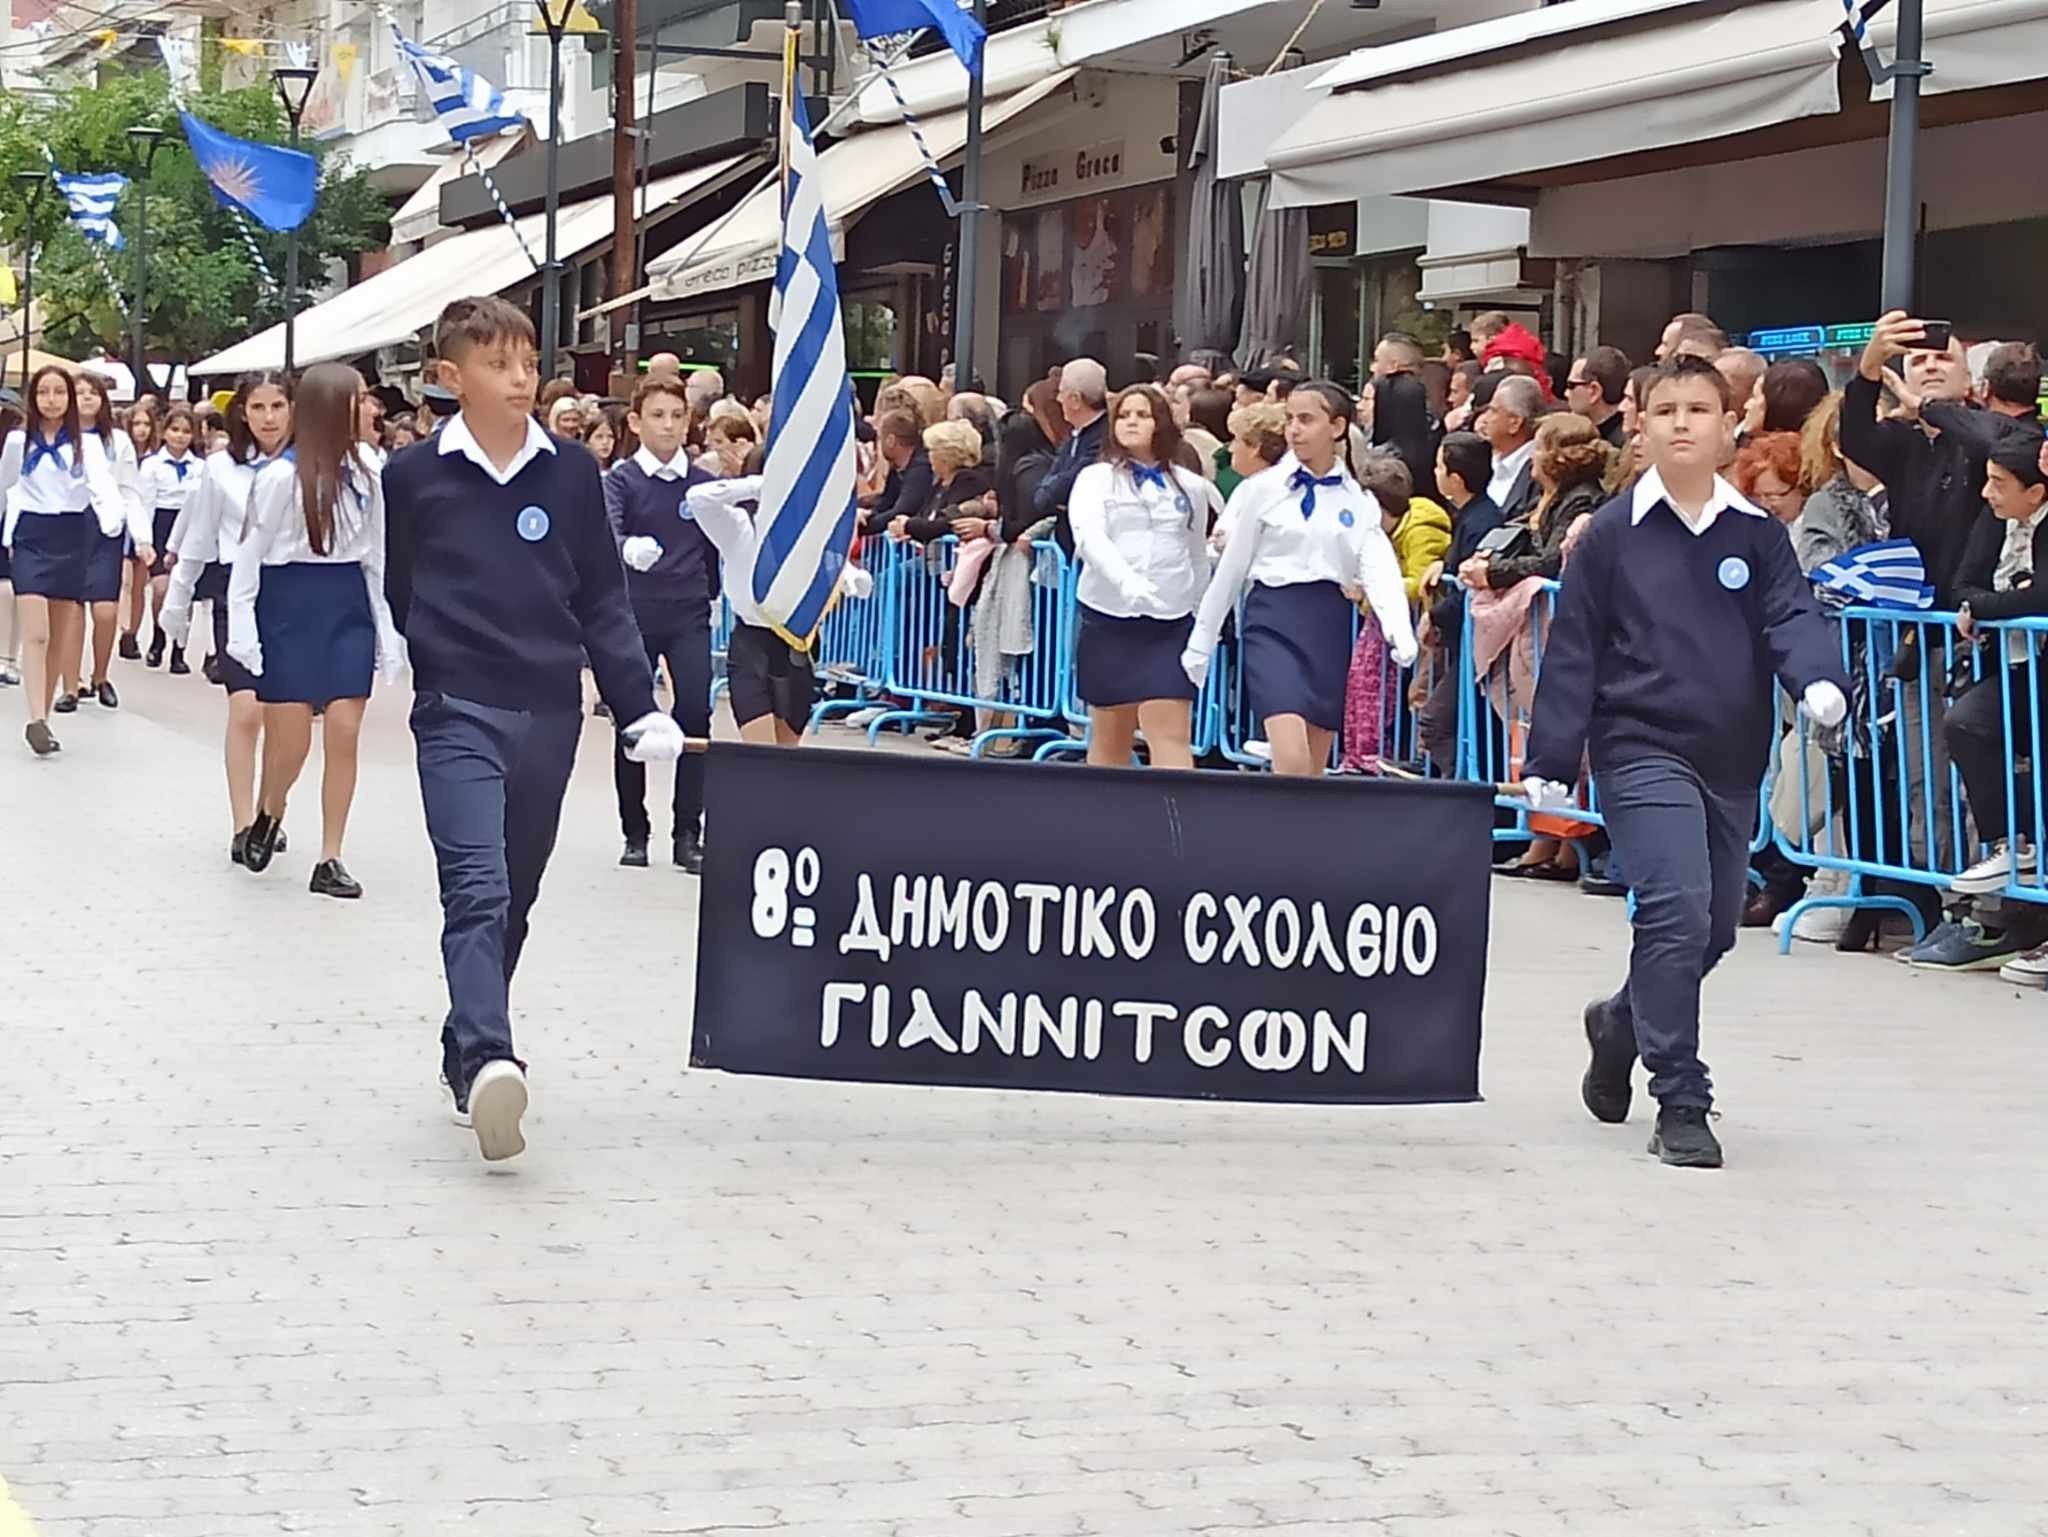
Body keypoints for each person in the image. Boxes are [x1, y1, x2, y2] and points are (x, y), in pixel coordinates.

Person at [1523, 354, 1847, 1169]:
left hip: (1729, 752)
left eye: (1698, 408)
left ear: (1728, 421)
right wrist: (1553, 754)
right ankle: (1682, 1096)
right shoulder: (1608, 537)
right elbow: (1574, 649)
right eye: (1664, 408)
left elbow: (1792, 617)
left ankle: (1621, 1022)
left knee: (1712, 927)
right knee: (1673, 906)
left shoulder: (1759, 534)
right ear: (1641, 424)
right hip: (1638, 746)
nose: (1680, 422)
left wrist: (1818, 680)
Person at [383, 296, 682, 1162]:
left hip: (548, 709)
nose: (520, 380)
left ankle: (462, 1039)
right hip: (456, 707)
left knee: (515, 890)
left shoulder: (572, 474)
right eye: (497, 365)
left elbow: (601, 598)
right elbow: (404, 585)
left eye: (526, 363)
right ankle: (488, 1056)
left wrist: (639, 707)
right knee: (473, 885)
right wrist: (432, 656)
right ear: (450, 379)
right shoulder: (413, 477)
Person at [227, 363, 403, 899]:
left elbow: (377, 557)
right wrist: (242, 630)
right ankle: (270, 808)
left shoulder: (370, 470)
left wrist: (388, 634)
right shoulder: (281, 476)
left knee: (346, 730)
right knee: (292, 742)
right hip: (289, 605)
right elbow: (249, 558)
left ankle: (331, 855)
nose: (370, 408)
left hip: (345, 602)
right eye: (360, 399)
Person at [1184, 380, 1417, 776]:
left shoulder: (1357, 500)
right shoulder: (1262, 489)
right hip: (1272, 617)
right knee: (1289, 754)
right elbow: (1233, 567)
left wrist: (1399, 630)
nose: (1294, 429)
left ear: (1338, 426)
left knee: (1311, 765)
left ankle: (1299, 836)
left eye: (1307, 420)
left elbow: (1378, 566)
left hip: (1328, 621)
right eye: (1291, 419)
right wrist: (1201, 639)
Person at [160, 373, 295, 858]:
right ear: (242, 412)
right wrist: (176, 602)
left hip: (290, 593)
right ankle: (241, 821)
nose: (268, 417)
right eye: (258, 407)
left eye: (278, 405)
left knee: (284, 713)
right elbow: (199, 534)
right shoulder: (219, 467)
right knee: (246, 706)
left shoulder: (308, 464)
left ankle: (268, 811)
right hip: (233, 591)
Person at [1067, 384, 1221, 770]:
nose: (1131, 422)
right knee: (1111, 736)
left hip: (1171, 622)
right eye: (1124, 415)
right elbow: (1089, 535)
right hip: (1110, 618)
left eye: (1142, 414)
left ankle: (1177, 822)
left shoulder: (1190, 485)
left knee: (1170, 732)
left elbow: (1196, 553)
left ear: (1161, 423)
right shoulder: (1096, 478)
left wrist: (1203, 616)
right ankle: (1106, 819)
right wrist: (1126, 581)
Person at [606, 373, 719, 872]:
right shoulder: (620, 481)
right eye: (657, 415)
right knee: (633, 718)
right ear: (636, 421)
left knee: (695, 713)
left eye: (677, 415)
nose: (668, 426)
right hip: (634, 610)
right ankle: (635, 830)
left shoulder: (703, 485)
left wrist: (715, 587)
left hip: (689, 609)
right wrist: (626, 547)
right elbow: (605, 531)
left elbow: (723, 539)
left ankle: (687, 832)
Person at [0, 366, 125, 754]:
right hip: (31, 537)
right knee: (35, 631)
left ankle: (46, 721)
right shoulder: (19, 442)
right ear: (33, 399)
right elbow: (7, 489)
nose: (51, 400)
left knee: (57, 632)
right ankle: (35, 717)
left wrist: (115, 524)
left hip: (73, 536)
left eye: (59, 392)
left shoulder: (88, 445)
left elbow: (105, 489)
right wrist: (7, 536)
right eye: (43, 393)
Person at [1841, 312, 1984, 603]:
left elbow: (1994, 445)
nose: (1931, 366)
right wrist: (1870, 368)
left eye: (1944, 358)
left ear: (1968, 378)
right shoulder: (1899, 438)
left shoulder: (1989, 432)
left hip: (1977, 611)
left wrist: (1926, 407)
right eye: (1919, 361)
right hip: (1913, 608)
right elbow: (1854, 439)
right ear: (1906, 380)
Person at [1342, 452, 1449, 773]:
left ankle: (1379, 756)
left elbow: (1420, 583)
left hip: (1414, 624)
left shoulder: (1421, 528)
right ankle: (1358, 755)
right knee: (1361, 683)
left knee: (1385, 689)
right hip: (1382, 617)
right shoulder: (1385, 533)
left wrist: (1375, 587)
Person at [62, 370, 150, 712]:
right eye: (79, 392)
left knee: (105, 609)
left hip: (105, 529)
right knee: (70, 609)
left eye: (92, 392)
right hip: (68, 527)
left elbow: (130, 491)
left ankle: (101, 675)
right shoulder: (57, 438)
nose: (86, 398)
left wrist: (142, 537)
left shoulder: (118, 441)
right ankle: (70, 685)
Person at [1415, 431, 1504, 764]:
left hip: (1476, 637)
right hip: (1463, 638)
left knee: (1439, 720)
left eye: (1439, 467)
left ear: (1456, 478)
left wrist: (1435, 614)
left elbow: (1471, 585)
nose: (1434, 473)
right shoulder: (1469, 516)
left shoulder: (1483, 521)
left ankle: (1462, 790)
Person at [141, 405, 204, 671]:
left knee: (184, 590)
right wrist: (143, 540)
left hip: (189, 527)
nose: (180, 436)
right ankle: (158, 636)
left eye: (186, 431)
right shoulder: (152, 465)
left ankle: (180, 649)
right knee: (162, 588)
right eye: (175, 430)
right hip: (161, 525)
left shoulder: (201, 467)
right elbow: (145, 503)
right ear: (164, 432)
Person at [1032, 358, 1109, 555]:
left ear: (1075, 399)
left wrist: (1051, 491)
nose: (1058, 399)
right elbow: (1047, 489)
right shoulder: (1074, 436)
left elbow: (1069, 482)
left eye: (1061, 392)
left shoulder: (1104, 437)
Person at [119, 405, 160, 659]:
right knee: (124, 580)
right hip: (123, 520)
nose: (141, 429)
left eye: (146, 424)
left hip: (148, 520)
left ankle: (132, 632)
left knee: (139, 583)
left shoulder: (156, 459)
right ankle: (124, 630)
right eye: (137, 424)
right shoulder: (122, 452)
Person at [1477, 374, 1543, 524]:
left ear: (1515, 423)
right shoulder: (1482, 458)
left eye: (1493, 411)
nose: (1484, 419)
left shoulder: (1539, 473)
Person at [859, 410, 933, 536]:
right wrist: (865, 514)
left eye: (879, 437)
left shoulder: (921, 469)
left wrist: (862, 526)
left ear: (891, 440)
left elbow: (902, 511)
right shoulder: (897, 469)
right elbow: (886, 503)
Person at [1566, 347, 1630, 447]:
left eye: (1571, 385)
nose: (1566, 393)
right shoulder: (1628, 438)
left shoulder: (1622, 446)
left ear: (1594, 391)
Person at [1750, 358, 1829, 437]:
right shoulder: (1833, 444)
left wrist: (1744, 435)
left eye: (1755, 397)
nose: (1747, 405)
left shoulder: (1748, 446)